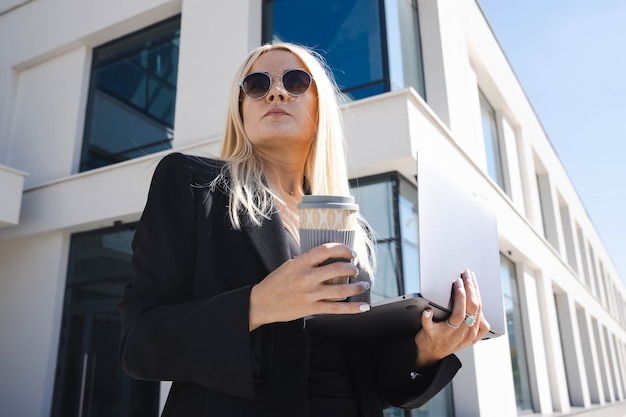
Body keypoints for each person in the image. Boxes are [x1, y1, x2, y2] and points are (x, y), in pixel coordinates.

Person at [119, 42, 490, 417]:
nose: (276, 91)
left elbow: (364, 377)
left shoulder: (347, 224)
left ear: (320, 106)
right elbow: (139, 343)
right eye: (257, 85)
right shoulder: (193, 184)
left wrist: (426, 350)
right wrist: (256, 305)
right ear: (241, 108)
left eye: (296, 82)